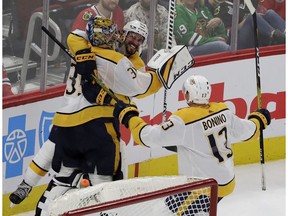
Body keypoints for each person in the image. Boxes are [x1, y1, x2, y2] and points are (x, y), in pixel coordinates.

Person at [8, 19, 151, 207]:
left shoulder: (113, 55)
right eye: (132, 36)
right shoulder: (108, 54)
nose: (135, 41)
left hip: (73, 115)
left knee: (52, 148)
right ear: (123, 34)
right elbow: (77, 36)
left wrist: (85, 55)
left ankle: (28, 184)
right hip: (91, 117)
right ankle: (115, 197)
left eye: (140, 39)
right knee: (110, 163)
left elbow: (77, 36)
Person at [113, 74, 271, 208]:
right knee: (171, 206)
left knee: (167, 211)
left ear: (188, 94)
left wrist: (129, 117)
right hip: (225, 181)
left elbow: (146, 137)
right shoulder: (223, 110)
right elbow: (247, 131)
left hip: (203, 188)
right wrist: (259, 119)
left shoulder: (184, 120)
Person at [212, 0, 285, 48]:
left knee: (270, 13)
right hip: (237, 42)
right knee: (251, 18)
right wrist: (247, 20)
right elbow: (228, 31)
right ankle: (275, 35)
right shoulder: (222, 7)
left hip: (256, 34)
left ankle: (285, 34)